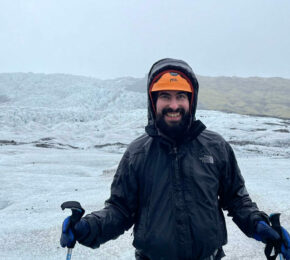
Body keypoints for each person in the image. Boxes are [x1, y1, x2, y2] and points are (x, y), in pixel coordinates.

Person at [60, 58, 290, 260]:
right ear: (153, 101)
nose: (173, 105)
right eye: (165, 96)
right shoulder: (137, 154)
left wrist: (260, 225)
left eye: (181, 96)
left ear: (192, 100)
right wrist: (88, 227)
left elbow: (237, 200)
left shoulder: (216, 147)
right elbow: (120, 210)